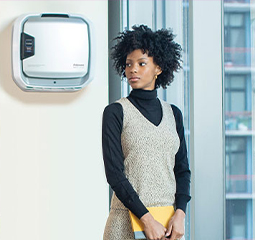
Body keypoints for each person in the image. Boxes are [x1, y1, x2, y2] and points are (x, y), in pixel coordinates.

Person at [102, 25, 191, 240]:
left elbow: (182, 170)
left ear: (158, 68)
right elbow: (115, 174)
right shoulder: (116, 112)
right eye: (129, 64)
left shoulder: (174, 114)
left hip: (167, 225)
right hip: (126, 223)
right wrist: (146, 219)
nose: (133, 69)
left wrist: (180, 213)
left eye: (142, 64)